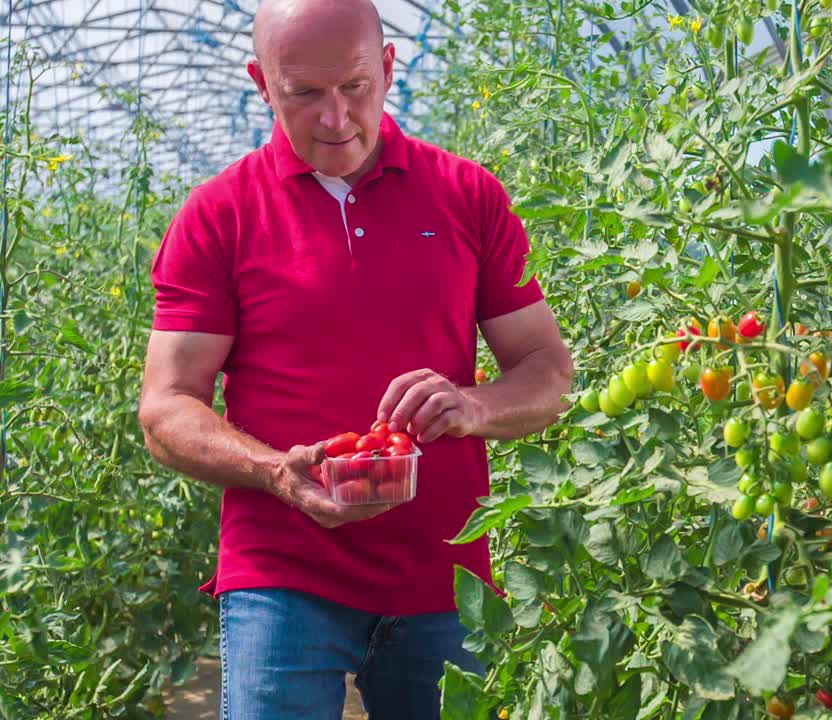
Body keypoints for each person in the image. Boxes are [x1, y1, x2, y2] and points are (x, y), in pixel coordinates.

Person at [136, 0, 573, 716]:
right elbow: (165, 408)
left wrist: (473, 406)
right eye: (304, 93)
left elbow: (548, 372)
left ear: (389, 68)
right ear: (261, 83)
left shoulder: (468, 197)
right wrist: (273, 470)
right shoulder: (218, 216)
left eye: (356, 87)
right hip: (281, 574)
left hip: (444, 576)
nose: (335, 118)